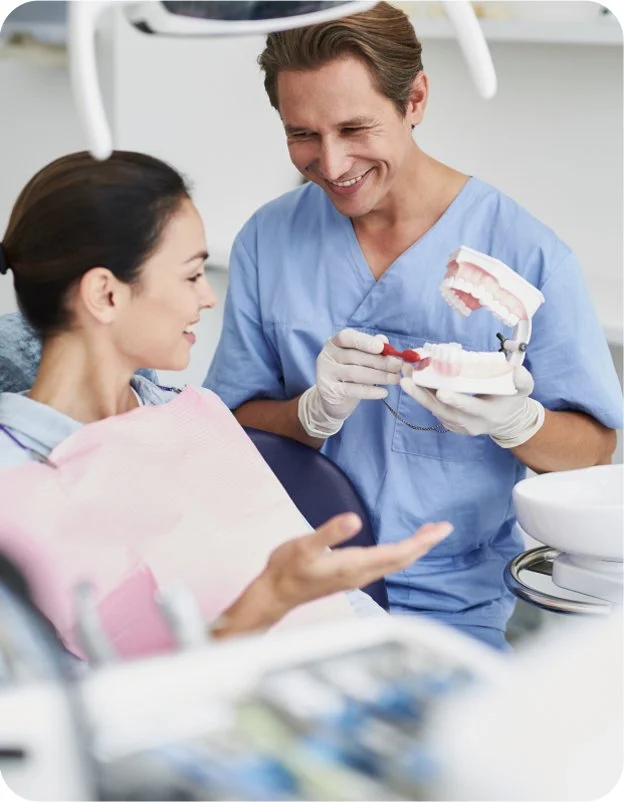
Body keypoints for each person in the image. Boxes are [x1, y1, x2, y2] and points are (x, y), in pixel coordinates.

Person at [204, 1, 623, 650]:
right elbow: (231, 426)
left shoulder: (524, 251)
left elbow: (594, 450)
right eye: (303, 134)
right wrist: (308, 415)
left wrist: (521, 423)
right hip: (298, 597)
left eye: (354, 128)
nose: (333, 164)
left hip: (451, 608)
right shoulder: (269, 240)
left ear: (416, 98)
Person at [0, 150, 452, 647]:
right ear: (106, 294)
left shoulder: (193, 416)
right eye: (192, 275)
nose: (208, 297)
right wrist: (263, 606)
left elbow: (341, 605)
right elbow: (68, 709)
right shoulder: (14, 484)